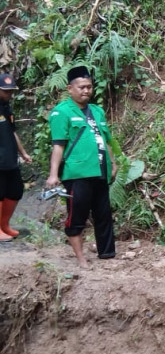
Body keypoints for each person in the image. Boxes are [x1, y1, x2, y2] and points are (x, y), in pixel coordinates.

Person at [45, 66, 117, 268]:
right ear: (70, 88)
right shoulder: (61, 112)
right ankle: (81, 259)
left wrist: (113, 163)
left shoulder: (97, 111)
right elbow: (58, 145)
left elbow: (105, 140)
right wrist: (53, 175)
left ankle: (107, 254)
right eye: (82, 87)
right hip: (77, 173)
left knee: (103, 214)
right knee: (77, 216)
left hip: (100, 170)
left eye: (89, 87)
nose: (86, 91)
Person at [0, 73, 32, 242]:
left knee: (15, 190)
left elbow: (13, 133)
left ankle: (4, 225)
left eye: (11, 91)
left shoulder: (7, 108)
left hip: (10, 159)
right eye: (6, 91)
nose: (9, 94)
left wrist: (23, 153)